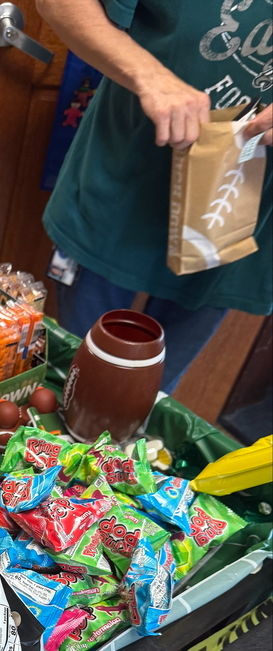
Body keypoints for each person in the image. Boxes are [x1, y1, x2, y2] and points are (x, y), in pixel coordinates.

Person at [37, 0, 272, 392]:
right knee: (77, 378)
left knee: (151, 395)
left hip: (237, 216)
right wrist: (149, 75)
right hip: (121, 182)